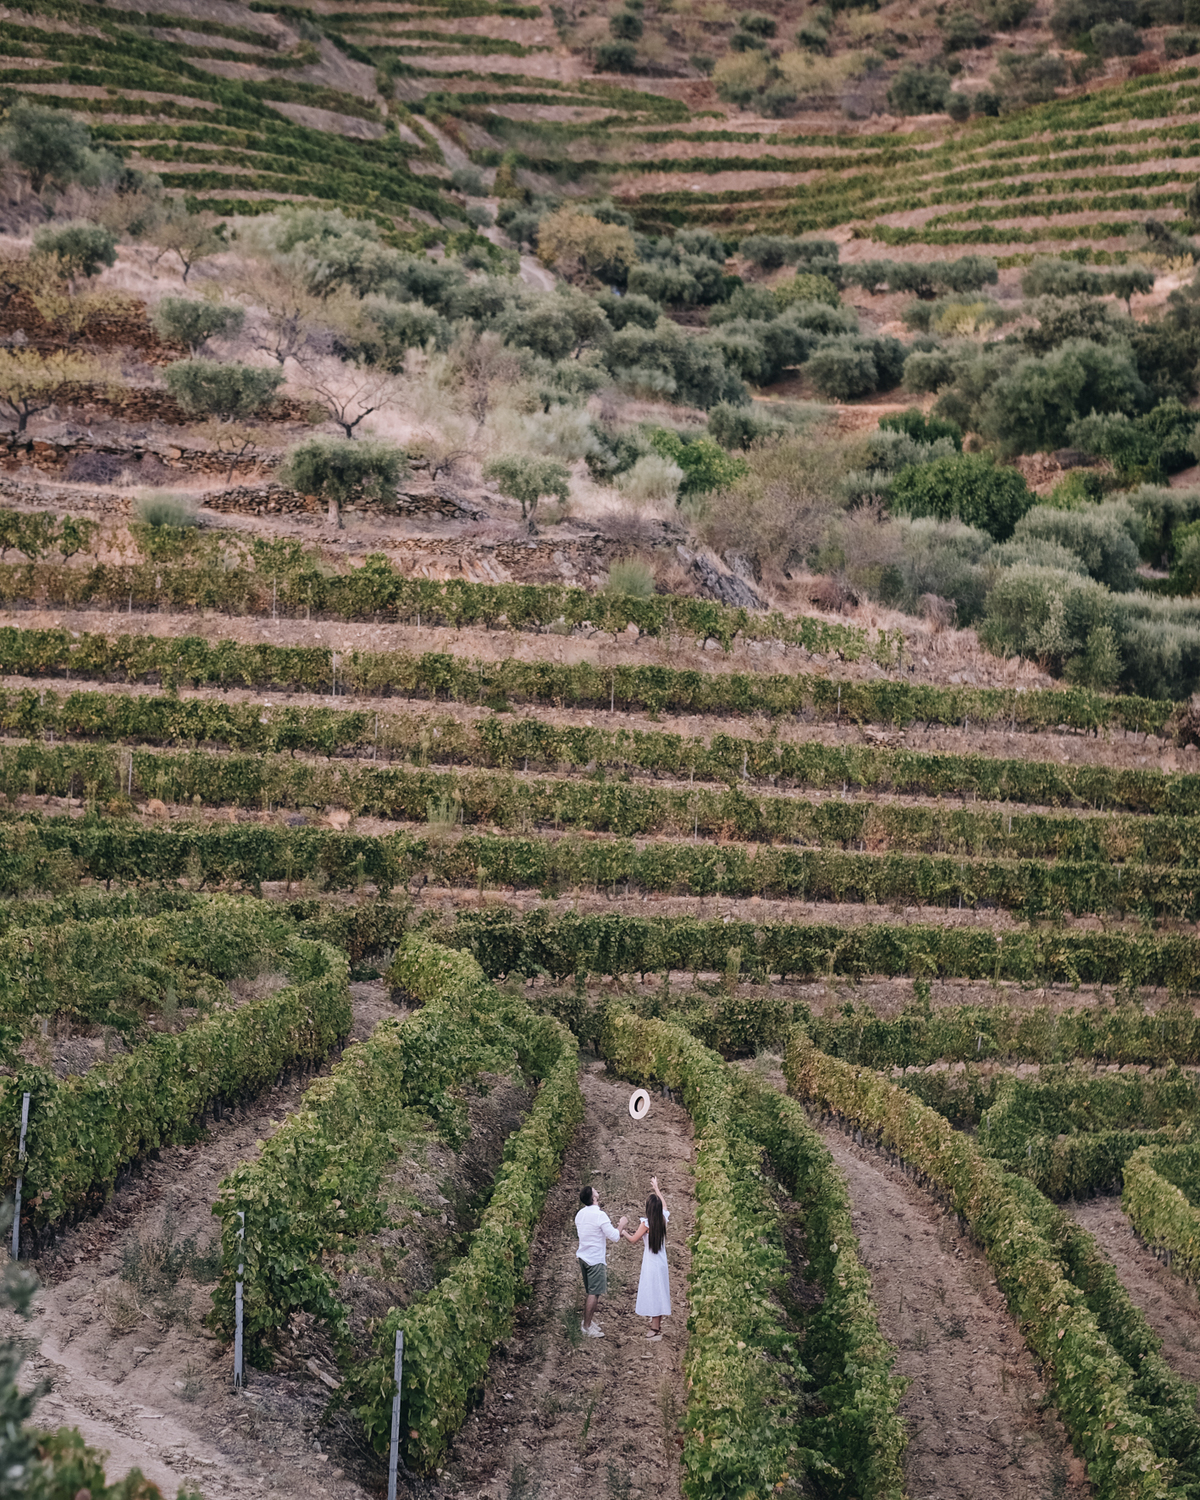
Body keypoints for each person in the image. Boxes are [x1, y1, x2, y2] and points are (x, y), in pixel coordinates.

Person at [621, 1175, 670, 1340]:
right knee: (660, 1291)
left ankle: (655, 1329)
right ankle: (657, 1324)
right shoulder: (662, 1220)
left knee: (653, 1293)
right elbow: (664, 1205)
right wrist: (657, 1189)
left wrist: (623, 1231)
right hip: (661, 1262)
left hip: (651, 1263)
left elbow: (633, 1240)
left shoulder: (646, 1224)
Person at [575, 1185, 627, 1339]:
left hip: (583, 1257)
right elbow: (614, 1236)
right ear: (594, 1198)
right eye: (594, 1190)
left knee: (590, 1291)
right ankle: (586, 1327)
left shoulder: (580, 1214)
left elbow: (594, 1233)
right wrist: (622, 1224)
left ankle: (588, 1322)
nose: (597, 1190)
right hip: (595, 1259)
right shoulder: (600, 1215)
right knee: (594, 1293)